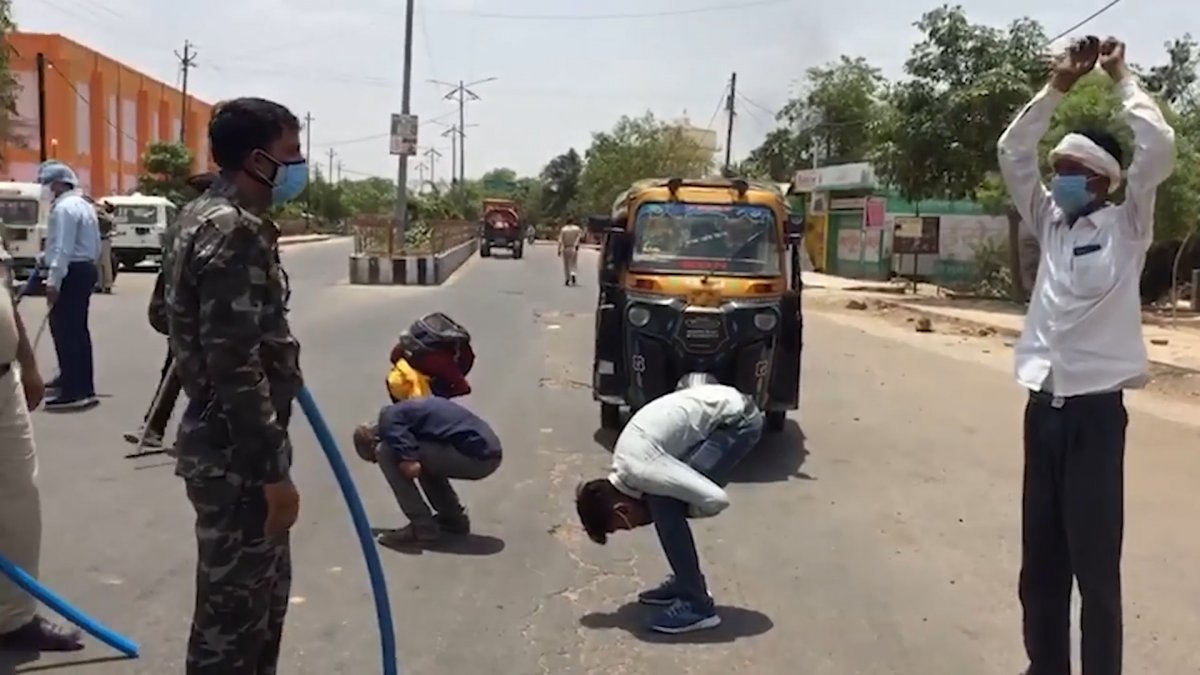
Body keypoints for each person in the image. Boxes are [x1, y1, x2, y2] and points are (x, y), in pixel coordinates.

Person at [996, 36, 1175, 675]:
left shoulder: (1128, 228)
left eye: (1074, 173)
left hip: (1096, 420)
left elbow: (1159, 149)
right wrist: (1060, 86)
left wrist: (1122, 77)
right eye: (1060, 170)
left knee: (1095, 573)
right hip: (1041, 410)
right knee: (1039, 566)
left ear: (1102, 183)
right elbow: (1013, 151)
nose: (1061, 179)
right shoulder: (1048, 222)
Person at [168, 98, 306, 674]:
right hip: (239, 461)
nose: (299, 166)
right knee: (234, 631)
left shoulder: (195, 217)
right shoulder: (237, 231)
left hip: (221, 449)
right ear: (258, 159)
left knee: (256, 613)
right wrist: (274, 474)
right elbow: (236, 368)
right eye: (290, 154)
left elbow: (164, 311)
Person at [574, 373, 763, 634]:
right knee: (664, 501)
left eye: (620, 527)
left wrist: (680, 508)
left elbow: (715, 499)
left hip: (737, 421)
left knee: (665, 505)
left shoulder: (642, 471)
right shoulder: (626, 464)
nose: (630, 530)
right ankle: (687, 582)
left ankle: (698, 606)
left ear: (622, 510)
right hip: (723, 407)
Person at [0, 239, 84, 652]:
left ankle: (12, 619)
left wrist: (29, 365)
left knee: (19, 507)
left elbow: (6, 298)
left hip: (3, 383)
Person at [124, 172, 221, 452]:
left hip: (206, 313)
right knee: (178, 367)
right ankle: (157, 428)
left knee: (202, 372)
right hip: (185, 312)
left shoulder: (216, 223)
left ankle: (183, 433)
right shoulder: (188, 222)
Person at [353, 380, 502, 547]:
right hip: (487, 452)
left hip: (477, 457)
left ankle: (421, 527)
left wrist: (400, 462)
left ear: (373, 440)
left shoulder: (389, 422)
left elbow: (412, 467)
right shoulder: (405, 417)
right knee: (414, 453)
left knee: (386, 452)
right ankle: (452, 517)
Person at [37, 161, 101, 411]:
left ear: (60, 183)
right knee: (76, 330)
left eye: (49, 184)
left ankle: (76, 390)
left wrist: (54, 279)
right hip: (84, 268)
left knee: (66, 331)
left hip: (71, 271)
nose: (47, 189)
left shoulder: (64, 209)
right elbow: (92, 245)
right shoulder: (84, 204)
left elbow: (63, 247)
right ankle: (74, 379)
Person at [93, 199, 115, 294]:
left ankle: (107, 284)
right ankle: (99, 284)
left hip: (105, 239)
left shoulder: (108, 216)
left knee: (105, 263)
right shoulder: (99, 215)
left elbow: (107, 221)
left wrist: (100, 212)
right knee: (98, 262)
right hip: (98, 239)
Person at [557, 219, 583, 286]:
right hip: (574, 247)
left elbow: (560, 240)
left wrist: (559, 250)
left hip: (566, 247)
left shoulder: (564, 229)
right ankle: (573, 274)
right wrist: (576, 244)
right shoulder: (577, 229)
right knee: (573, 263)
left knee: (566, 265)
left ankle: (567, 279)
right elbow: (580, 237)